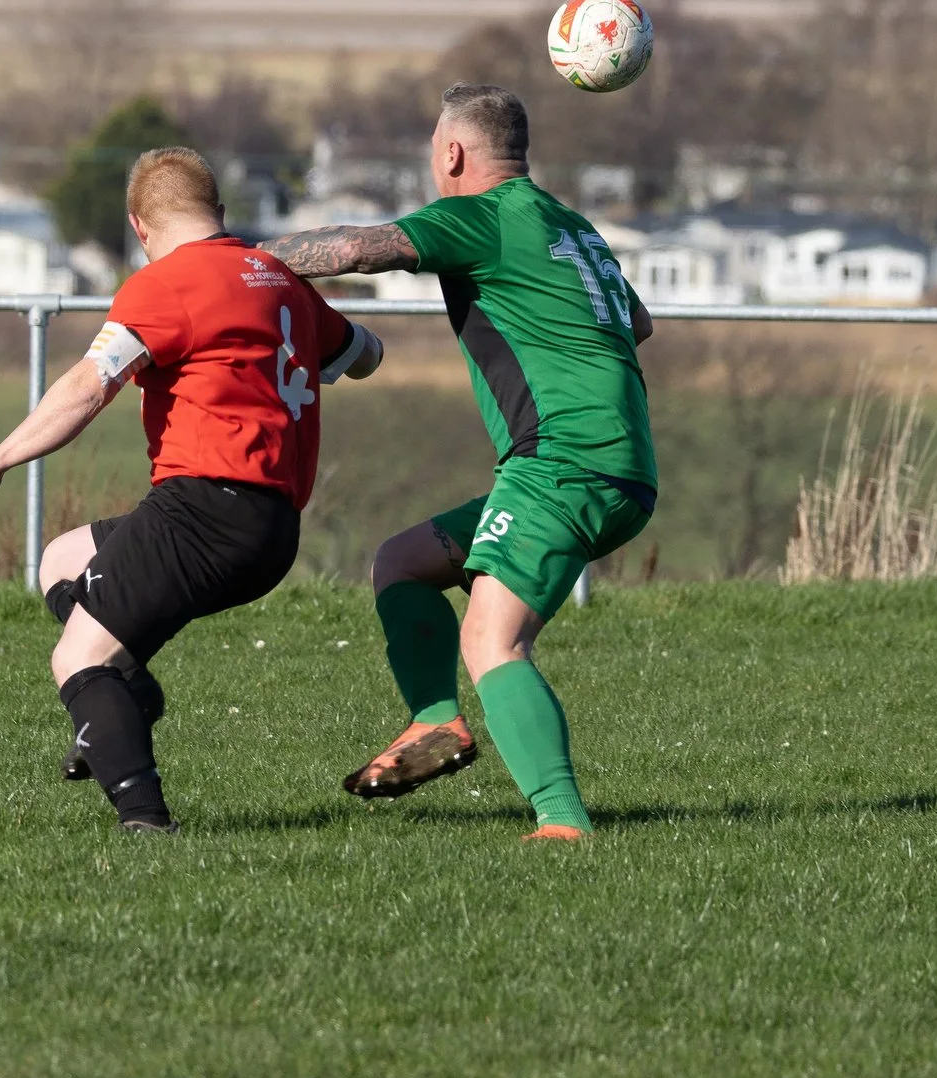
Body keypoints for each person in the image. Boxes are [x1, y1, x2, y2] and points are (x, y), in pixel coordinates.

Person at [0, 146, 384, 832]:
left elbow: (87, 390)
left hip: (204, 508)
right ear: (222, 213)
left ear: (139, 227)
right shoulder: (279, 279)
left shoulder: (167, 284)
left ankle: (145, 823)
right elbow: (364, 356)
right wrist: (297, 286)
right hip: (271, 529)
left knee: (78, 657)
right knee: (60, 560)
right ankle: (124, 702)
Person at [261, 84, 653, 843]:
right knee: (401, 562)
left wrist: (234, 262)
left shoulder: (483, 215)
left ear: (453, 153)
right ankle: (435, 722)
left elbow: (350, 250)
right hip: (617, 465)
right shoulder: (571, 227)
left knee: (491, 640)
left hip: (562, 464)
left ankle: (562, 822)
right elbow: (636, 320)